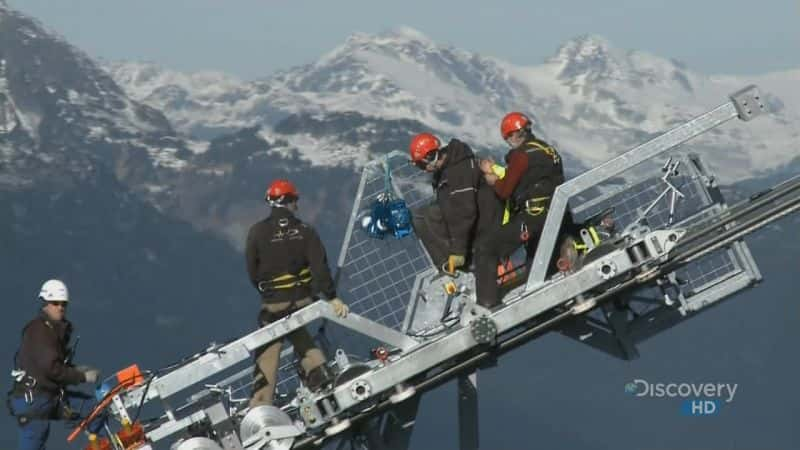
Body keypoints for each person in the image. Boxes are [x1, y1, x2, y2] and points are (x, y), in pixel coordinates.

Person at [245, 179, 349, 407]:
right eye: (295, 201)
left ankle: (260, 402)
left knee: (269, 346)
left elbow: (252, 271)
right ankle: (318, 374)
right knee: (297, 328)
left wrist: (270, 292)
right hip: (303, 299)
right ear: (289, 201)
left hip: (274, 303)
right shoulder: (305, 231)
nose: (297, 206)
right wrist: (332, 297)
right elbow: (320, 268)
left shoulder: (257, 232)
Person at [475, 112, 571, 308]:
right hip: (558, 214)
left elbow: (504, 191)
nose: (508, 141)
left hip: (534, 218)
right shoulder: (547, 150)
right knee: (536, 269)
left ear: (513, 134)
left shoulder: (521, 156)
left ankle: (486, 304)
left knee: (485, 248)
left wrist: (492, 180)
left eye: (507, 137)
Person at [8, 279, 101, 450]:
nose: (60, 307)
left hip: (48, 397)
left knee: (94, 410)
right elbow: (52, 369)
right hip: (35, 401)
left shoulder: (52, 330)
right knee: (36, 436)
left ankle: (103, 445)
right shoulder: (40, 331)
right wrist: (82, 376)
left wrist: (74, 370)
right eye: (55, 303)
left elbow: (53, 367)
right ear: (46, 303)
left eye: (63, 304)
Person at [408, 133, 501, 273]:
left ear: (430, 157)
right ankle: (446, 265)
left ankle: (461, 264)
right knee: (420, 216)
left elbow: (466, 212)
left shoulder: (458, 170)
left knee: (430, 214)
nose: (423, 169)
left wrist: (458, 252)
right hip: (476, 225)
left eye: (421, 164)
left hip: (485, 227)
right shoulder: (446, 170)